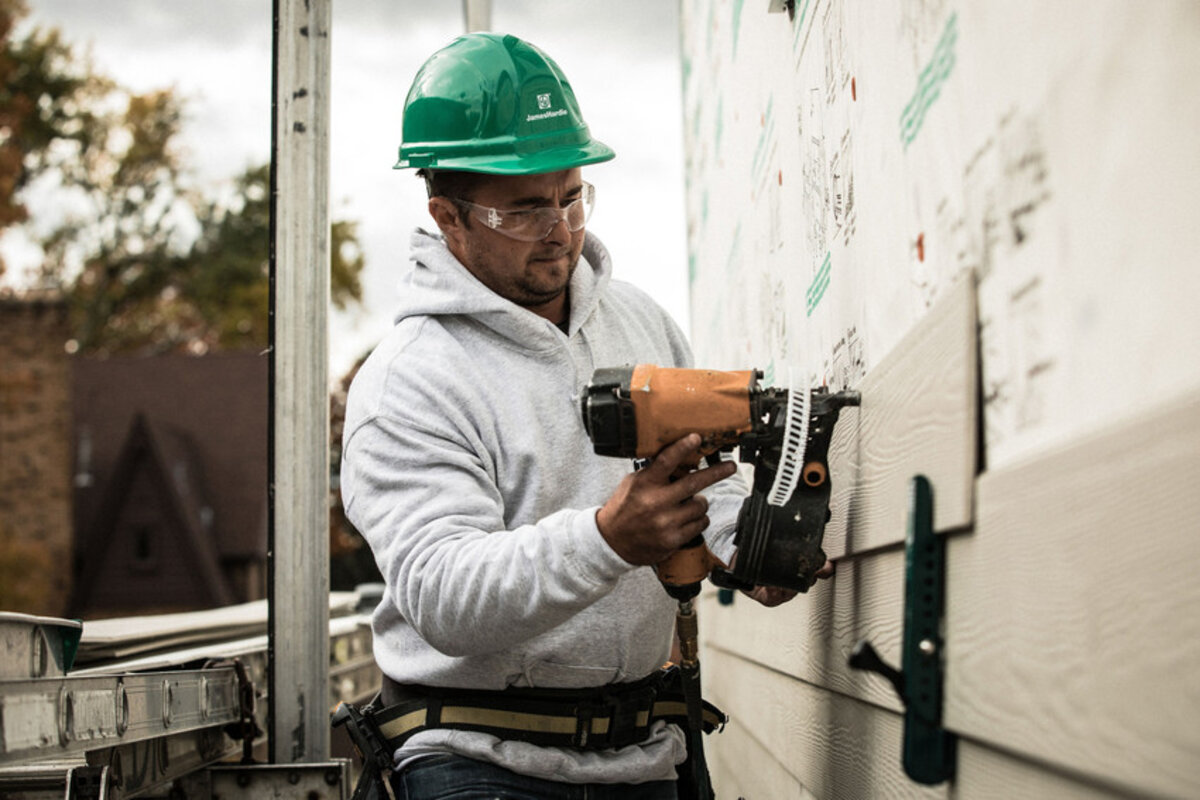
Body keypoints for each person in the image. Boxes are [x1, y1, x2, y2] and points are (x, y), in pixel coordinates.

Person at [340, 32, 815, 799]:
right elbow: (441, 595)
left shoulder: (640, 322)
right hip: (477, 764)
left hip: (643, 751)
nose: (560, 228)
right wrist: (606, 541)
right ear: (447, 216)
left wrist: (744, 544)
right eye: (524, 210)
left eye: (570, 195)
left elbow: (697, 479)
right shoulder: (409, 381)